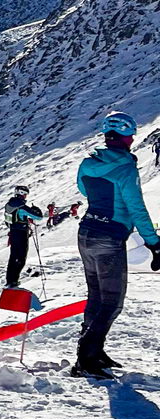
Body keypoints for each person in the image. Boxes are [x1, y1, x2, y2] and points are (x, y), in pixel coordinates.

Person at [72, 110, 160, 378]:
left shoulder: (88, 162)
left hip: (86, 232)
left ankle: (94, 351)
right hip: (109, 237)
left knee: (96, 296)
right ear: (126, 136)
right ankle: (86, 356)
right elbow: (136, 206)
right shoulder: (124, 166)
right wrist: (153, 242)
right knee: (112, 301)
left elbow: (83, 188)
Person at [3, 186, 43, 287]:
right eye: (25, 194)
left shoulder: (9, 205)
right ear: (21, 193)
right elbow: (38, 217)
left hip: (13, 232)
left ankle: (10, 280)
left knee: (13, 257)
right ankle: (14, 281)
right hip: (21, 233)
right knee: (21, 257)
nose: (26, 196)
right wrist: (36, 209)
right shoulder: (21, 206)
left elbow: (9, 220)